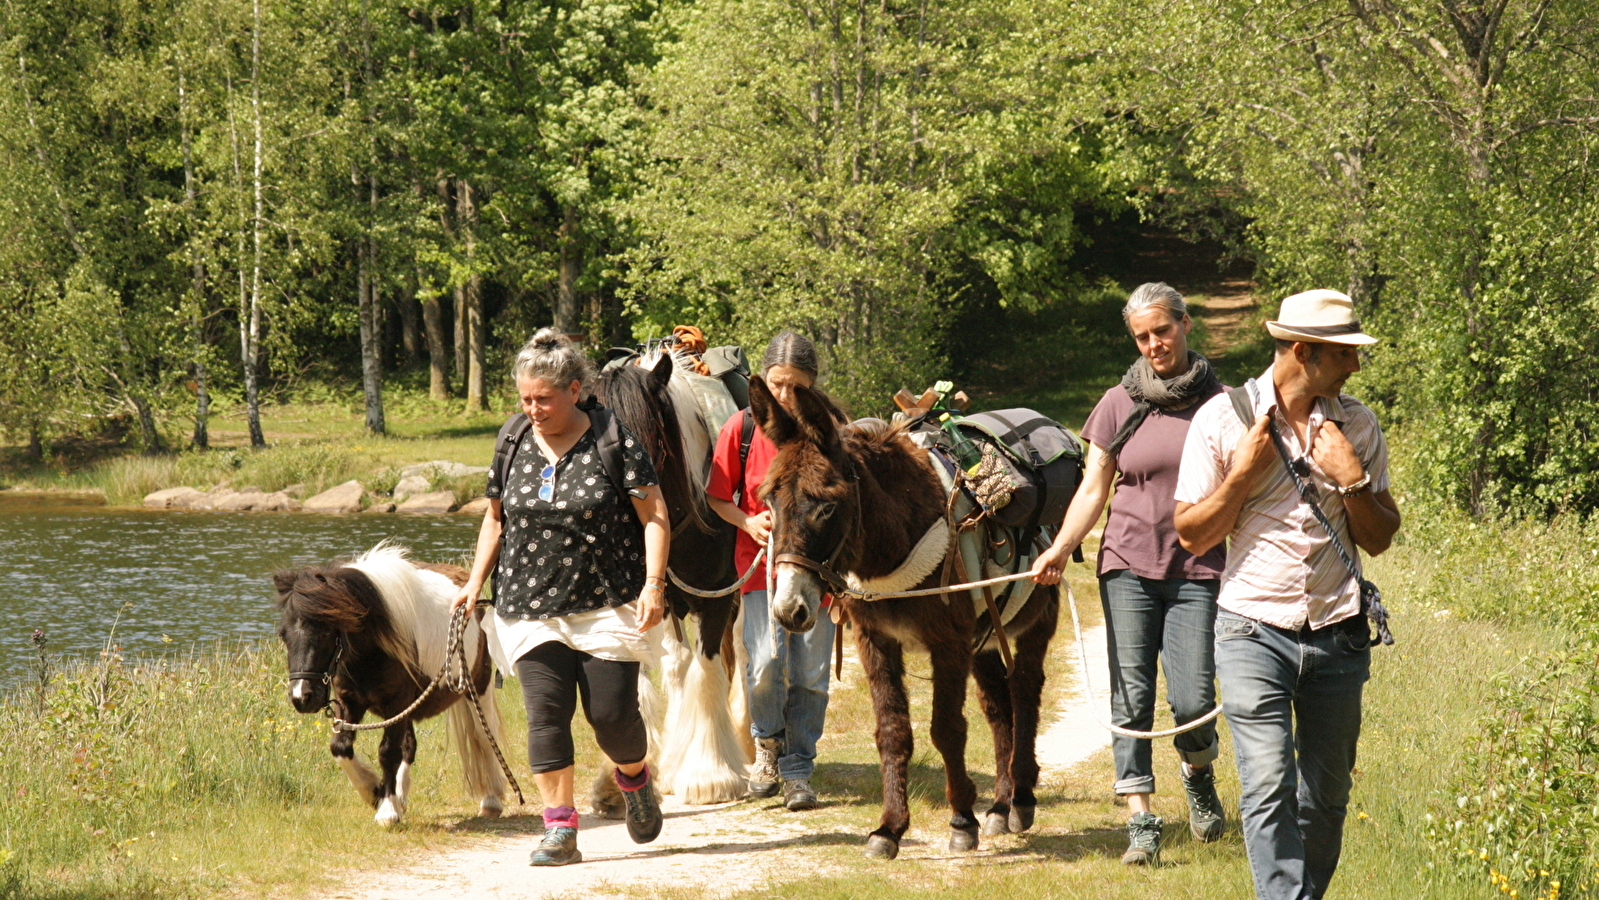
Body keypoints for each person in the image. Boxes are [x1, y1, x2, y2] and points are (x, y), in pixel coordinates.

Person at [1173, 289, 1401, 899]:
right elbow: (1192, 535)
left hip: (1338, 634)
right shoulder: (1221, 421)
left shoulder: (1357, 423)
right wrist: (1243, 475)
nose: (1356, 365)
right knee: (1268, 782)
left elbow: (1379, 538)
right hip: (1252, 631)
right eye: (1343, 353)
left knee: (1326, 796)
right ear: (1302, 351)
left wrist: (1352, 480)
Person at [453, 328, 671, 867]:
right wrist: (475, 582)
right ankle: (561, 830)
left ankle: (634, 777)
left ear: (575, 390)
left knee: (612, 717)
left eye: (543, 399)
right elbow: (495, 519)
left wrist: (654, 585)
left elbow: (655, 516)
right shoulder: (512, 440)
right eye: (525, 399)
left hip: (605, 602)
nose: (533, 409)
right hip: (527, 604)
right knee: (546, 715)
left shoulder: (613, 439)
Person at [1029, 282, 1228, 865]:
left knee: (1193, 699)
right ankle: (1141, 819)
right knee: (1131, 695)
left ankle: (1197, 772)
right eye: (1142, 336)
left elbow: (1245, 486)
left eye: (1162, 331)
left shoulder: (1222, 402)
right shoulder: (1119, 402)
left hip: (1200, 565)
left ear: (1186, 324)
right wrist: (1061, 547)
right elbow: (1094, 487)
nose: (1153, 345)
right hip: (1128, 563)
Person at [706, 331, 840, 811]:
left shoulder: (831, 432)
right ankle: (767, 748)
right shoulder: (740, 429)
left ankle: (799, 768)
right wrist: (746, 519)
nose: (785, 396)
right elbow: (717, 495)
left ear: (814, 386)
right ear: (763, 382)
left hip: (818, 573)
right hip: (759, 566)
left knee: (809, 671)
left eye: (796, 386)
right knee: (763, 663)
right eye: (778, 384)